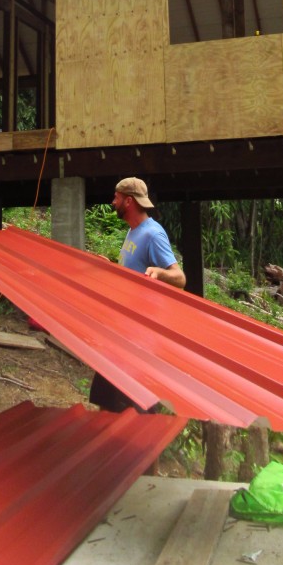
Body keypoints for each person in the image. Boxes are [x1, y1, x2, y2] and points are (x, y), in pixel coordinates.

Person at [89, 176, 186, 413]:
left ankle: (141, 445)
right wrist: (111, 267)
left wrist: (159, 273)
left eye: (117, 198)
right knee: (107, 402)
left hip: (139, 341)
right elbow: (133, 273)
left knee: (137, 408)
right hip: (121, 333)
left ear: (129, 201)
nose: (113, 202)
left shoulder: (153, 234)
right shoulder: (133, 231)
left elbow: (180, 279)